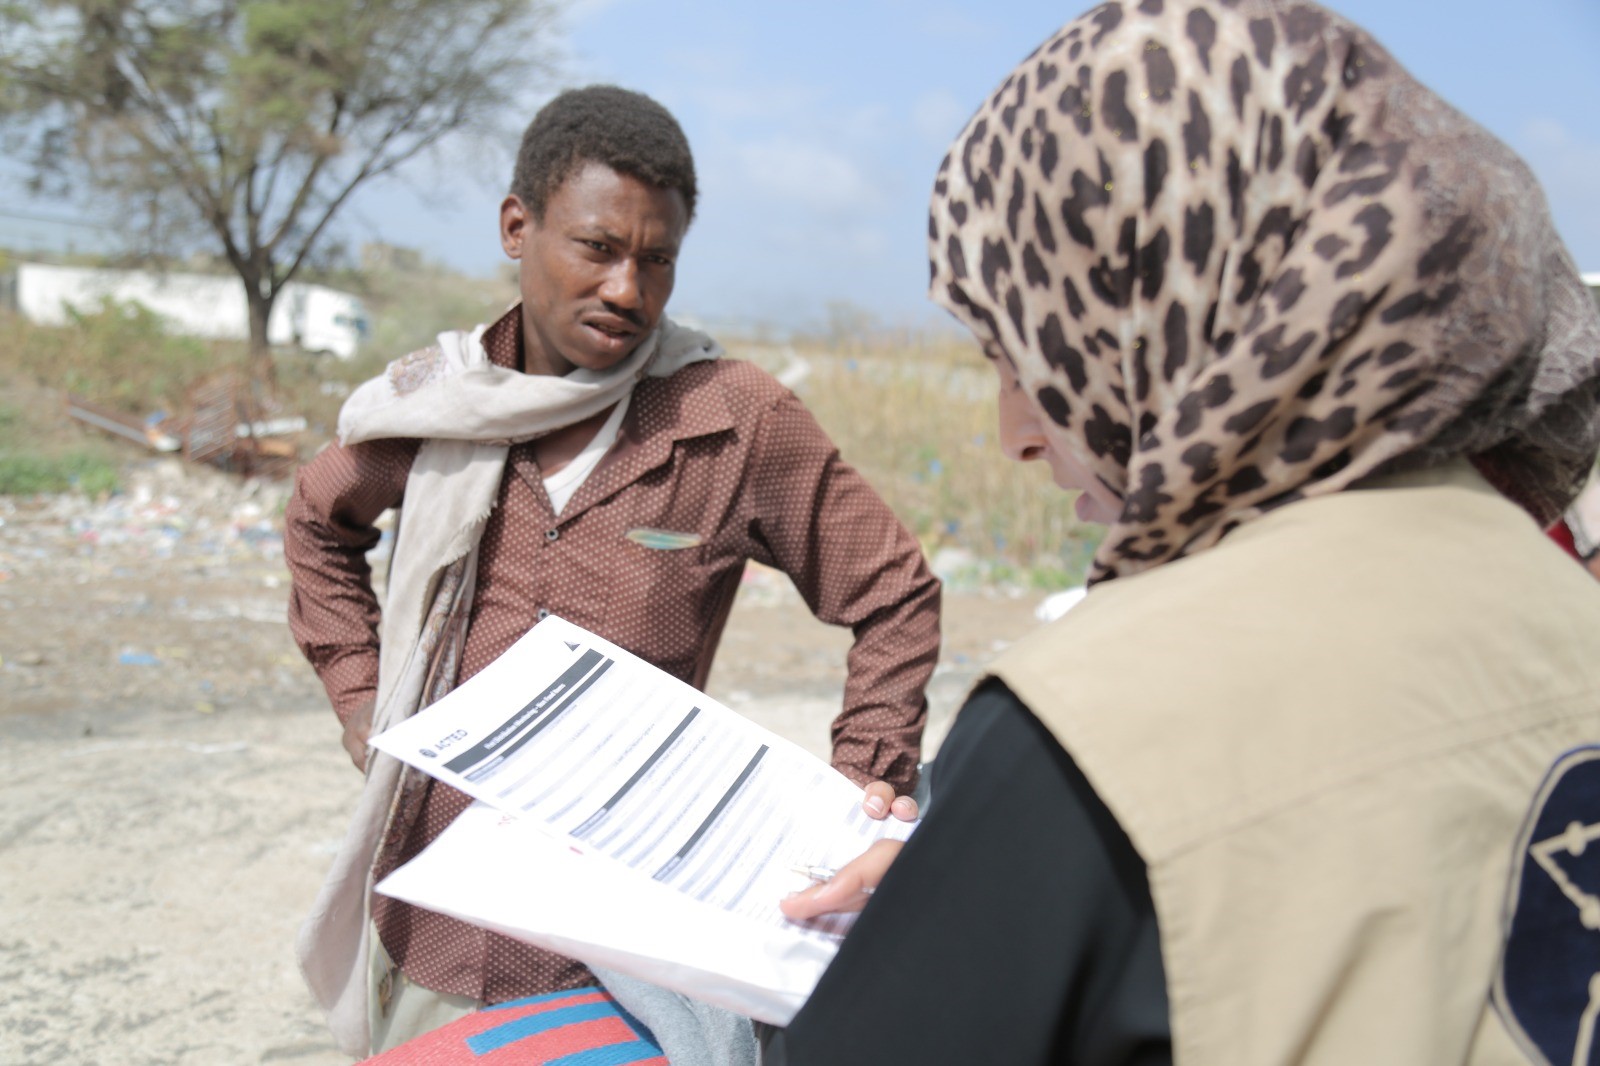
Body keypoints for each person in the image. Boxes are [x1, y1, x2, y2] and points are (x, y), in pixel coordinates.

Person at [769, 1, 1600, 1063]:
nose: (1014, 432)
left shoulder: (1093, 724)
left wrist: (1025, 858)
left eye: (1027, 353)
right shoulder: (1566, 607)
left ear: (1176, 315)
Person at [283, 85, 937, 1058]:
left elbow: (894, 592)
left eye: (657, 258)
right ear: (518, 227)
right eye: (597, 248)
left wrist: (863, 784)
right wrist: (363, 702)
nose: (628, 290)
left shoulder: (732, 419)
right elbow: (316, 522)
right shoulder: (442, 408)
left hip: (626, 948)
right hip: (437, 916)